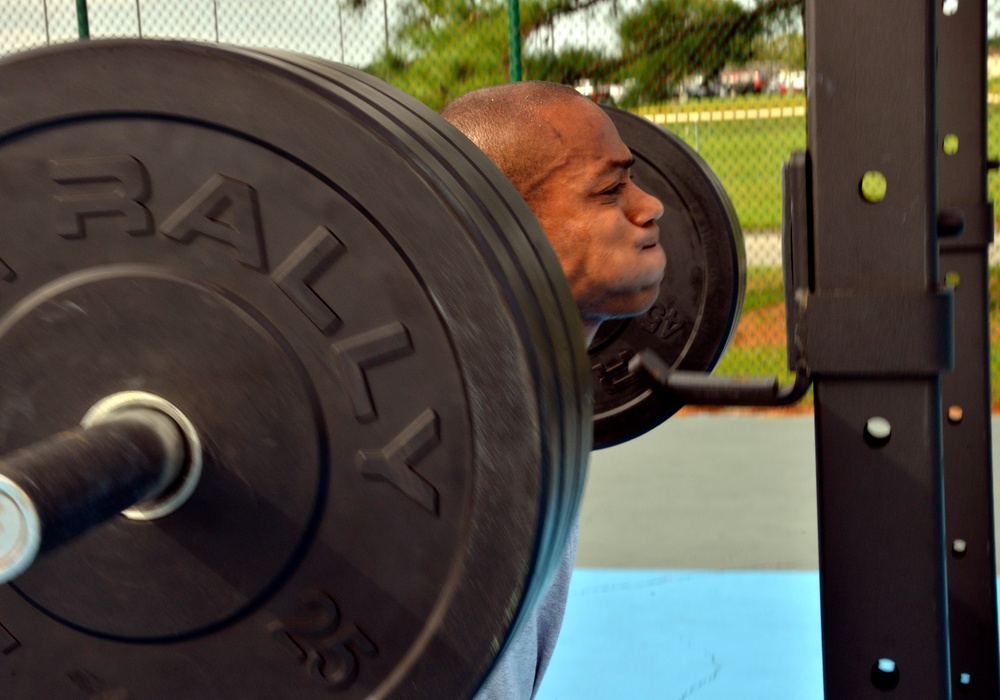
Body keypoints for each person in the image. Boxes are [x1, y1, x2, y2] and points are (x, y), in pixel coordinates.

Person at [441, 82, 667, 699]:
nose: (650, 207)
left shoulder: (539, 397)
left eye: (634, 180)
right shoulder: (450, 433)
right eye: (609, 190)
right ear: (504, 224)